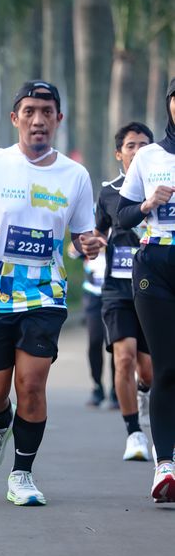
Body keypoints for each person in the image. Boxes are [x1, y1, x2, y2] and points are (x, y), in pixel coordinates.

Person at [0, 79, 102, 506]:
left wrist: (88, 244)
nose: (38, 120)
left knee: (32, 384)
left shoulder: (75, 175)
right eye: (30, 111)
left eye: (46, 112)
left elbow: (82, 235)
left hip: (45, 294)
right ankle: (0, 424)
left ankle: (22, 475)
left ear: (58, 119)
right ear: (15, 118)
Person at [117, 78, 175, 503]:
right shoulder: (149, 156)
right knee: (166, 369)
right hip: (155, 266)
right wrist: (147, 204)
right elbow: (122, 217)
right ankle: (165, 465)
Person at [95, 122, 154, 461]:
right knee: (124, 357)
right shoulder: (108, 192)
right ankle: (134, 433)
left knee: (149, 371)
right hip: (117, 289)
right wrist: (88, 243)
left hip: (155, 288)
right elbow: (96, 231)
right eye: (131, 145)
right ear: (119, 154)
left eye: (144, 145)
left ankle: (144, 390)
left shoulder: (165, 187)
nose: (138, 151)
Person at [67, 243, 117, 408]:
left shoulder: (120, 230)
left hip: (116, 294)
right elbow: (71, 250)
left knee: (116, 344)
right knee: (95, 341)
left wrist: (108, 245)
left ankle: (116, 389)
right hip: (93, 295)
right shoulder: (91, 233)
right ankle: (97, 387)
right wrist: (91, 244)